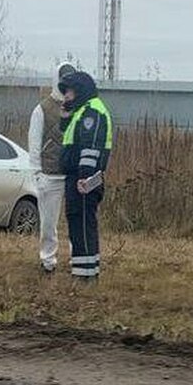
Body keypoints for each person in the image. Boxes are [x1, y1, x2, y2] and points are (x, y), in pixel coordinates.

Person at [58, 70, 112, 282]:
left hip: (84, 180)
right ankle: (83, 273)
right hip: (76, 178)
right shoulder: (81, 112)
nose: (66, 97)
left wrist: (85, 177)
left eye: (68, 92)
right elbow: (71, 138)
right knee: (76, 223)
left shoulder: (92, 112)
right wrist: (64, 117)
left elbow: (90, 148)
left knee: (82, 225)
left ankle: (86, 278)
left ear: (79, 91)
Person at [28, 61, 78, 274]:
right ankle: (48, 260)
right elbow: (34, 141)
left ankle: (78, 260)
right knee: (48, 223)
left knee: (76, 219)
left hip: (73, 174)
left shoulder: (79, 107)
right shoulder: (43, 108)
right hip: (49, 174)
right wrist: (36, 172)